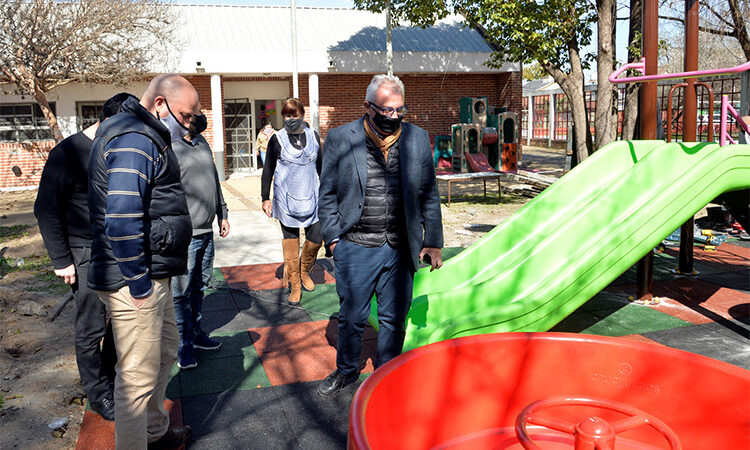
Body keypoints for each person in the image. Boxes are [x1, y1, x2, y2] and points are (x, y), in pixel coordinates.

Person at [88, 74, 198, 449]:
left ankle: (155, 431)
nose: (189, 124)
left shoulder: (142, 133)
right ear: (160, 105)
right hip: (134, 278)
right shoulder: (136, 138)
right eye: (185, 115)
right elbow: (121, 216)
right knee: (136, 377)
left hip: (152, 271)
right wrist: (137, 282)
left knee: (165, 350)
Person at [316, 74, 444, 397]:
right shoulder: (341, 138)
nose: (393, 117)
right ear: (367, 106)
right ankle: (346, 371)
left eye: (399, 110)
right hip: (356, 247)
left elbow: (429, 193)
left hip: (401, 250)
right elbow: (327, 194)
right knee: (352, 317)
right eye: (385, 111)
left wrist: (433, 242)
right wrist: (334, 242)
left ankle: (388, 373)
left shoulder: (416, 138)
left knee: (394, 319)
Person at [34, 93, 135, 422]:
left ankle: (114, 378)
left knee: (121, 324)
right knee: (92, 327)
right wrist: (61, 260)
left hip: (118, 249)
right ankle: (98, 393)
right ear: (105, 121)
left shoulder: (117, 149)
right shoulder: (68, 153)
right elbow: (46, 210)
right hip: (83, 252)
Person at [170, 111, 230, 370]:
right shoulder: (171, 146)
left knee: (199, 286)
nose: (199, 117)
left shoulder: (202, 142)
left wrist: (222, 213)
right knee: (180, 293)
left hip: (207, 231)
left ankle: (196, 333)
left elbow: (213, 180)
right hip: (186, 234)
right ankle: (183, 344)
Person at [261, 98, 323, 304]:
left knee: (316, 238)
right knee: (291, 244)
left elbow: (322, 168)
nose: (291, 119)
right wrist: (265, 198)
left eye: (294, 115)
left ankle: (304, 270)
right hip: (286, 202)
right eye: (287, 115)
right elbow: (267, 170)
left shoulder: (313, 136)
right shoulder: (276, 140)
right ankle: (295, 284)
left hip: (312, 199)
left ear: (302, 115)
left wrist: (330, 194)